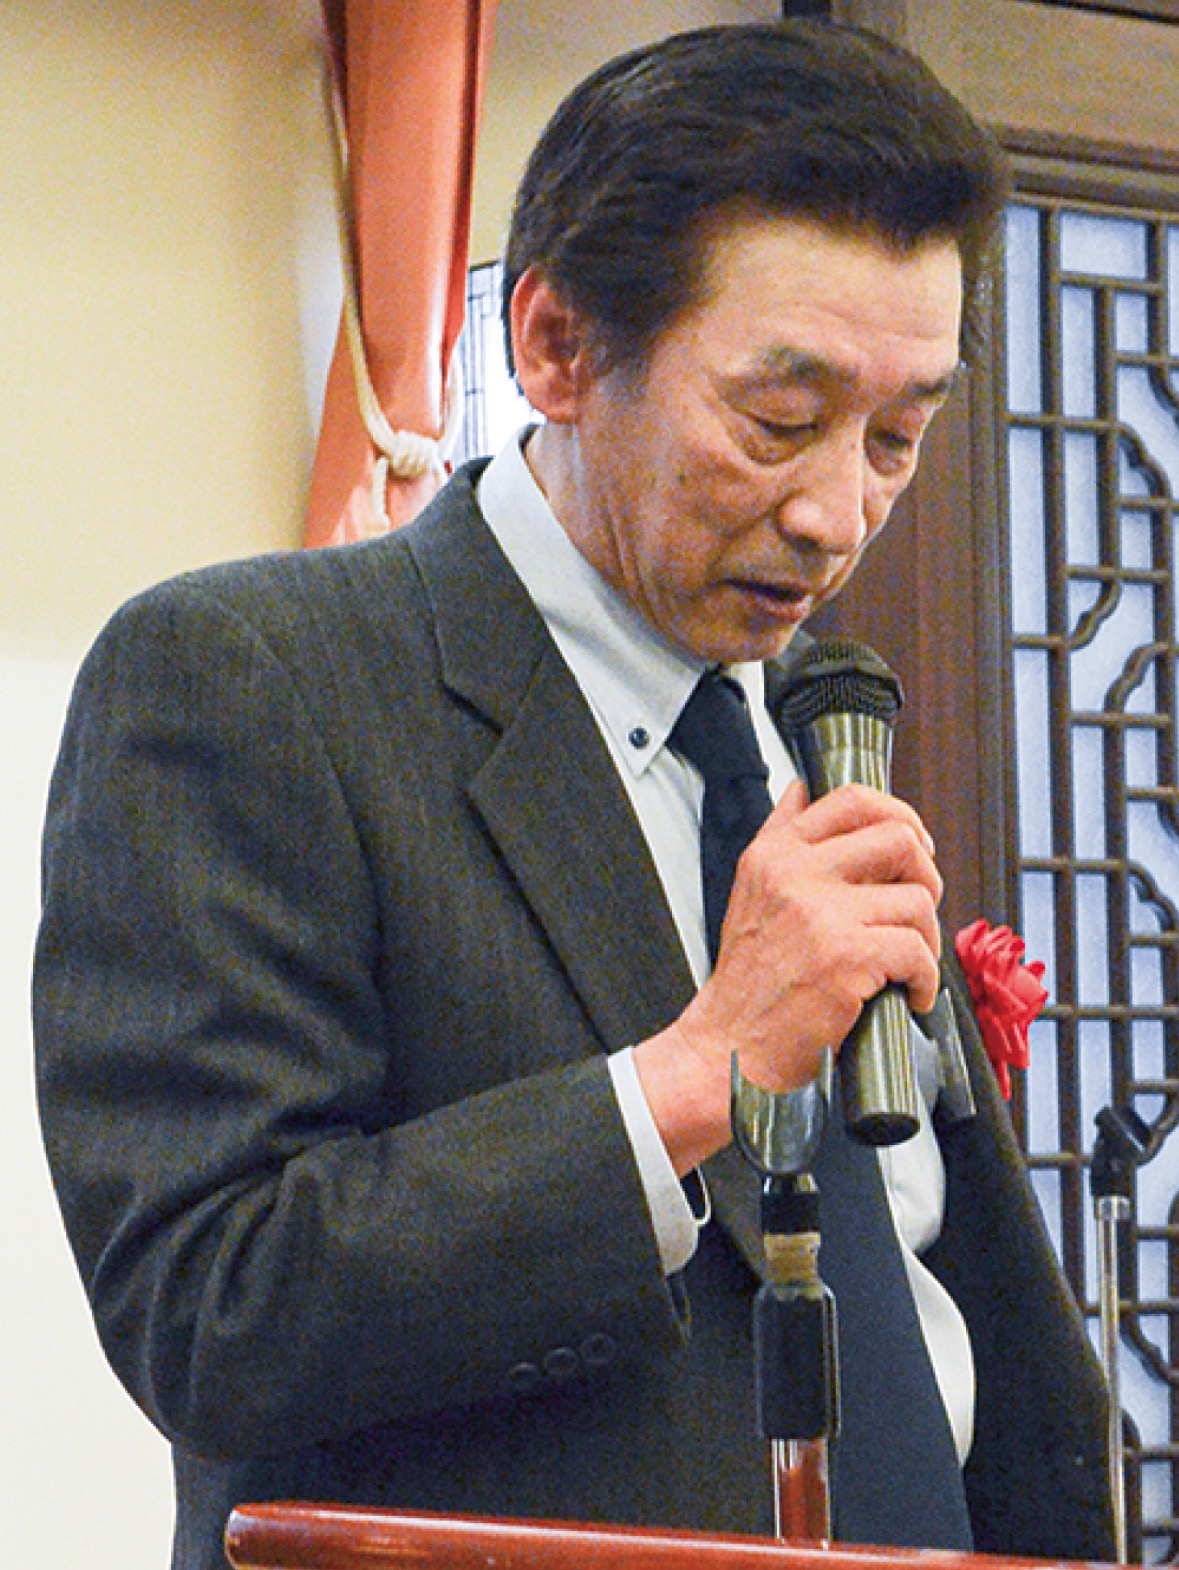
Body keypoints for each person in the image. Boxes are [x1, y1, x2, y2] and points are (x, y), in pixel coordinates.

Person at [34, 20, 1115, 1570]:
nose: (837, 513)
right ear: (553, 345)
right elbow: (209, 1304)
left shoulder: (824, 720)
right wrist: (695, 1071)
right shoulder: (252, 678)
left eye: (898, 435)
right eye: (780, 419)